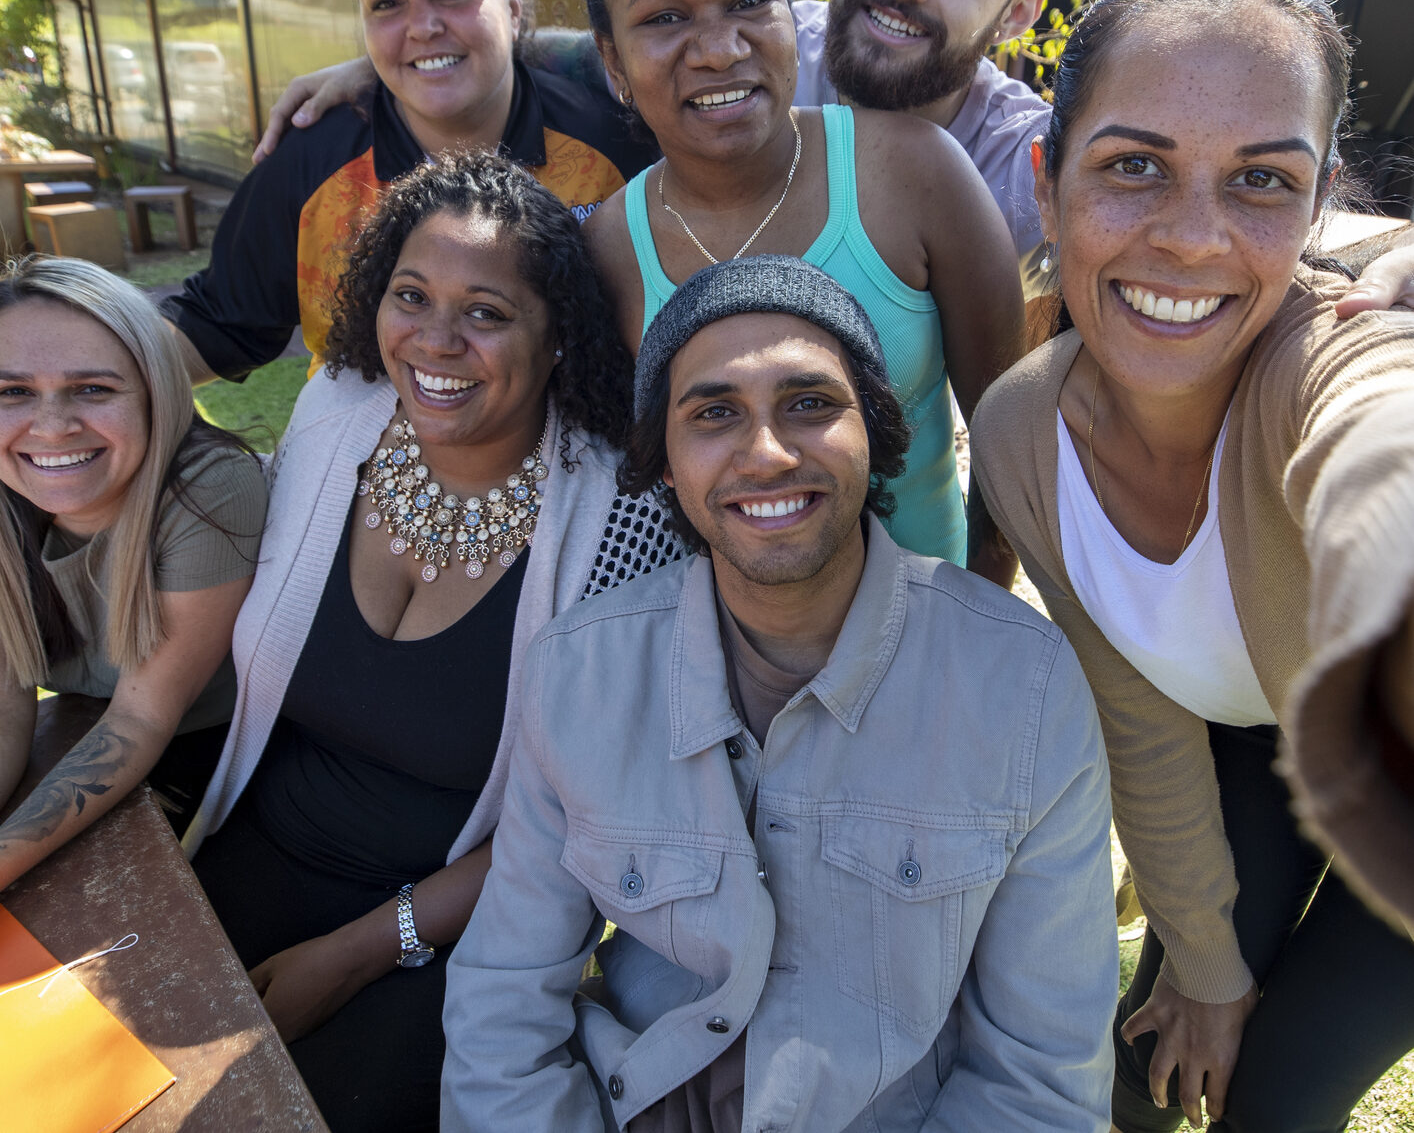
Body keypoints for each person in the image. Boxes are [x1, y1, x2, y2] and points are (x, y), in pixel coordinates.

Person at [441, 255, 1117, 1132]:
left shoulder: (1022, 689)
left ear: (876, 429)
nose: (765, 452)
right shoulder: (580, 673)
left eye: (810, 404)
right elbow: (504, 1004)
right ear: (665, 461)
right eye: (715, 414)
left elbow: (1040, 1081)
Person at [252, 0, 1414, 318]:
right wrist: (404, 63)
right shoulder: (763, 39)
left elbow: (1184, 194)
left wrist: (1388, 261)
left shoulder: (1007, 156)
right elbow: (573, 42)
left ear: (1017, 12)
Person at [969, 0, 1414, 1133]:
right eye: (1133, 167)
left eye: (1260, 180)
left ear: (1320, 206)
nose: (1192, 237)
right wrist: (1208, 966)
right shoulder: (1021, 431)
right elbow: (1139, 712)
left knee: (1276, 1099)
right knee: (1154, 1051)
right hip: (1264, 744)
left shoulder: (1340, 356)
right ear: (1046, 177)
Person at [183, 152, 680, 1133]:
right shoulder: (335, 418)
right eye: (410, 295)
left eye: (486, 313)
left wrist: (364, 947)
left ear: (557, 342)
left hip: (455, 928)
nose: (436, 341)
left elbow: (581, 824)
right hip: (245, 851)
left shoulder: (622, 520)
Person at [580, 0, 1023, 579]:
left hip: (930, 643)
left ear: (795, 13)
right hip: (727, 661)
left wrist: (978, 617)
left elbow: (1013, 451)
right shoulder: (609, 251)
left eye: (750, 2)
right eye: (664, 18)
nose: (720, 49)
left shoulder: (915, 175)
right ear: (613, 62)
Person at [160, 0, 654, 383]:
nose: (423, 26)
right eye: (387, 3)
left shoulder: (612, 145)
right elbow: (215, 326)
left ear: (511, 6)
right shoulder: (312, 164)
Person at [0, 256, 264, 890]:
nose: (53, 426)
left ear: (155, 391)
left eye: (93, 388)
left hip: (217, 759)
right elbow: (6, 706)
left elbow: (141, 720)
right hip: (82, 730)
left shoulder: (210, 489)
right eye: (13, 391)